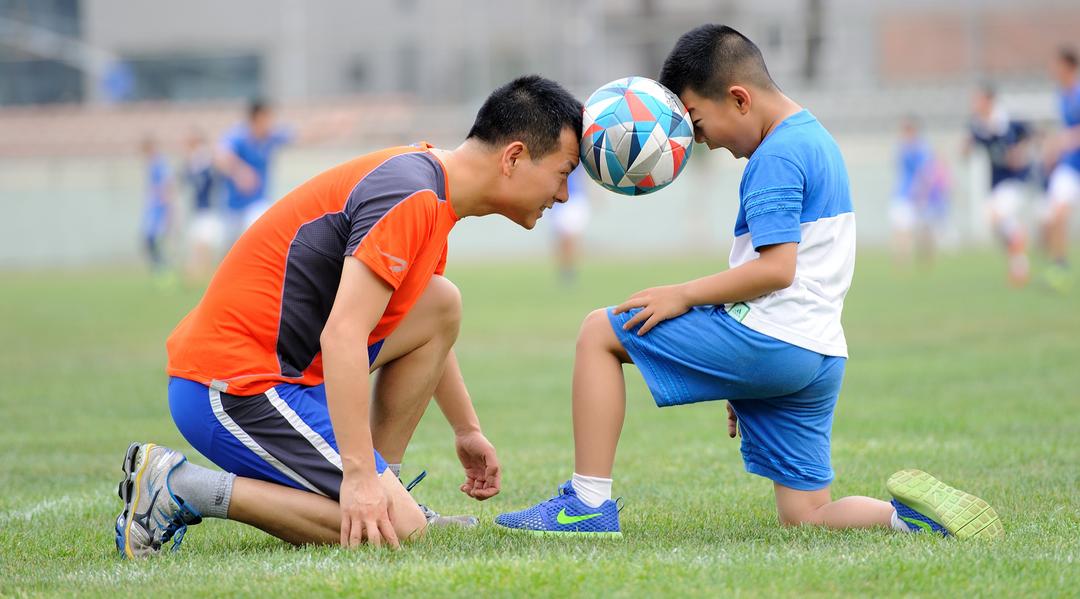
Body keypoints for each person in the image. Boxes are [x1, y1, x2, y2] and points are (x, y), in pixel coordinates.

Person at [495, 25, 1003, 540]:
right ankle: (909, 520)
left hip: (771, 341)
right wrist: (741, 377)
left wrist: (683, 295)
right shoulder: (815, 139)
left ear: (738, 99)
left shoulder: (775, 157)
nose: (698, 140)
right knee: (805, 515)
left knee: (598, 333)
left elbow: (776, 270)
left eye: (695, 121)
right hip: (818, 353)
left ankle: (586, 504)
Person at [114, 75, 584, 557]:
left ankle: (390, 491)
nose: (565, 194)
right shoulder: (413, 194)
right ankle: (178, 487)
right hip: (232, 386)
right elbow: (344, 334)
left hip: (287, 377)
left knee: (441, 301)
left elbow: (418, 322)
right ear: (513, 156)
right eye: (563, 172)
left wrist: (467, 429)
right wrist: (359, 478)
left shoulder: (433, 192)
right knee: (397, 531)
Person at [963, 84, 1033, 286]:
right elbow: (968, 149)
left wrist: (1021, 152)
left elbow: (1031, 136)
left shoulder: (1008, 122)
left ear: (989, 101)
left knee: (998, 216)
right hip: (995, 183)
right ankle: (1017, 262)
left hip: (1015, 180)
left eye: (979, 100)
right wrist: (965, 148)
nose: (975, 104)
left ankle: (1020, 261)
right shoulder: (977, 126)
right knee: (996, 223)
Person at [216, 99, 296, 244]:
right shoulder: (238, 136)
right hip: (233, 206)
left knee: (260, 227)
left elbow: (300, 136)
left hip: (257, 203)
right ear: (257, 117)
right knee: (230, 249)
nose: (270, 123)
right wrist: (239, 172)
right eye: (267, 118)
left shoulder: (271, 137)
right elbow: (220, 156)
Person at [1042, 47, 1080, 291]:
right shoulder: (1061, 94)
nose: (1053, 70)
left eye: (1057, 65)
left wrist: (1062, 142)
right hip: (1070, 166)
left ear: (1068, 66)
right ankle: (1060, 264)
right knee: (1055, 215)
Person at [891, 116, 949, 267]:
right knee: (901, 228)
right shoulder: (902, 148)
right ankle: (903, 262)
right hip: (904, 194)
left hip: (919, 196)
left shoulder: (922, 149)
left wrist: (923, 194)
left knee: (924, 231)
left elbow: (926, 173)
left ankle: (927, 260)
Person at [181, 128, 224, 282]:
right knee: (199, 244)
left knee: (203, 244)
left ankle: (200, 274)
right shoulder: (194, 163)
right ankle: (196, 273)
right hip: (200, 209)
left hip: (209, 209)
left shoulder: (205, 162)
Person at [548, 166, 591, 285]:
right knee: (562, 239)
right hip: (560, 200)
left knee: (572, 238)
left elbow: (585, 176)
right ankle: (566, 270)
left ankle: (570, 270)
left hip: (576, 198)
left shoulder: (579, 158)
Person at [140, 136, 174, 281]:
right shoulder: (152, 164)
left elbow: (167, 185)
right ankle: (160, 267)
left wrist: (168, 210)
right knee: (149, 240)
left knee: (153, 239)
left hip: (159, 209)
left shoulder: (160, 164)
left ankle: (164, 268)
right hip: (152, 209)